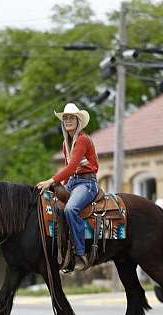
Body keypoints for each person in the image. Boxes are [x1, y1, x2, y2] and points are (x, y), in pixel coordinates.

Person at [36, 103, 99, 271]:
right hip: (72, 182)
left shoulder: (83, 140)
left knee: (71, 209)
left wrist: (50, 181)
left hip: (87, 183)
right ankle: (62, 251)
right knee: (53, 207)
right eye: (65, 118)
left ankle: (80, 253)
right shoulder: (66, 143)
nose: (68, 121)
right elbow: (69, 170)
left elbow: (70, 168)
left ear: (78, 121)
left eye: (71, 118)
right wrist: (59, 186)